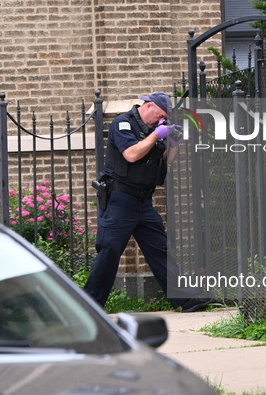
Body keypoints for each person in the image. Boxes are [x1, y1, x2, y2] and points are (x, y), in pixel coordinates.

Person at [84, 91, 214, 313]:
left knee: (160, 249)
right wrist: (157, 135)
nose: (161, 121)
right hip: (120, 200)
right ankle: (88, 307)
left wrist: (174, 143)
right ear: (149, 106)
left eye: (165, 119)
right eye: (160, 115)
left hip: (143, 202)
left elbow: (167, 161)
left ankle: (185, 299)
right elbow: (132, 155)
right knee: (109, 252)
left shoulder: (155, 129)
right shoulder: (123, 123)